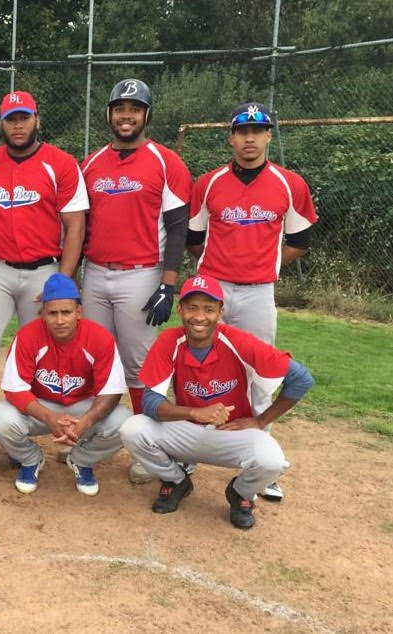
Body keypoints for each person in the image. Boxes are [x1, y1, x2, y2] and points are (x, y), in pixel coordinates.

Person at [0, 90, 89, 467]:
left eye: (24, 117)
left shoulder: (59, 163)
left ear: (36, 120)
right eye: (11, 118)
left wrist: (62, 284)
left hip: (45, 270)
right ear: (2, 123)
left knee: (39, 355)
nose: (18, 125)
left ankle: (19, 435)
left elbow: (75, 227)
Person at [187, 102, 317, 502]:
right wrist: (216, 270)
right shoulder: (208, 182)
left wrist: (265, 262)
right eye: (242, 130)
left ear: (268, 137)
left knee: (262, 373)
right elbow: (195, 239)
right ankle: (186, 452)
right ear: (231, 136)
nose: (249, 138)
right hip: (214, 289)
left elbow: (300, 242)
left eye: (258, 130)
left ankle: (262, 462)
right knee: (195, 365)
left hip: (260, 290)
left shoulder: (289, 183)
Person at [119, 274, 314, 529]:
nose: (199, 317)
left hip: (231, 432)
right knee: (132, 429)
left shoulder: (237, 340)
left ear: (220, 312)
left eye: (209, 309)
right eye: (192, 308)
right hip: (188, 430)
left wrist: (260, 420)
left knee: (272, 461)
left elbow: (301, 379)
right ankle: (177, 480)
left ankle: (240, 493)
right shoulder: (170, 341)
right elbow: (150, 402)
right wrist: (195, 413)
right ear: (180, 310)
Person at [80, 78, 192, 484]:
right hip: (94, 272)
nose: (126, 116)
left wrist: (168, 284)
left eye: (134, 109)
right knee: (94, 360)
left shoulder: (166, 161)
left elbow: (178, 228)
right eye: (119, 108)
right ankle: (90, 438)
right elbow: (79, 224)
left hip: (141, 274)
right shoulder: (91, 163)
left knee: (142, 368)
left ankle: (151, 447)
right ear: (109, 114)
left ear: (146, 115)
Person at [0, 274, 129, 494]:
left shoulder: (100, 337)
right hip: (41, 406)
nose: (60, 320)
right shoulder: (27, 336)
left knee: (124, 424)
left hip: (83, 405)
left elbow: (111, 392)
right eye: (52, 313)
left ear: (79, 312)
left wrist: (86, 421)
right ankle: (30, 459)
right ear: (42, 314)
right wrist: (49, 417)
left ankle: (82, 460)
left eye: (66, 312)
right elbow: (15, 389)